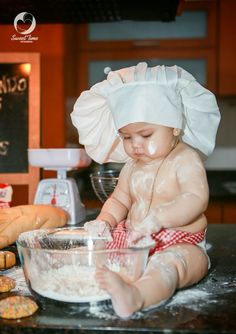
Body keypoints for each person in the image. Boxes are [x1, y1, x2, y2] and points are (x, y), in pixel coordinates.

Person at [71, 63, 221, 318]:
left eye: (146, 134)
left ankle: (136, 296)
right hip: (132, 243)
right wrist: (104, 221)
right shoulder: (132, 166)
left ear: (175, 127)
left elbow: (196, 198)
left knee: (170, 268)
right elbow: (119, 200)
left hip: (180, 244)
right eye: (127, 137)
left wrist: (158, 219)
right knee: (88, 258)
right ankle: (100, 282)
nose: (135, 145)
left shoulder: (185, 159)